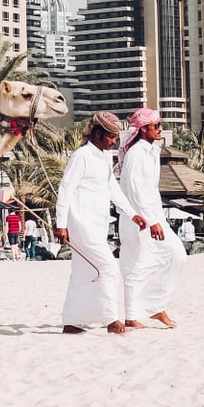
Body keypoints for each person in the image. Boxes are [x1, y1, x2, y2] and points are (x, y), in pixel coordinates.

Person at [54, 111, 148, 335]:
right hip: (81, 223)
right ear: (97, 134)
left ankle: (72, 321)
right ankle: (112, 320)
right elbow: (65, 189)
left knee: (82, 271)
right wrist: (60, 223)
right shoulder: (81, 156)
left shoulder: (104, 158)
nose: (114, 141)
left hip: (97, 223)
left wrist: (132, 213)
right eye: (110, 137)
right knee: (108, 267)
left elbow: (112, 189)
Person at [118, 107, 188, 330]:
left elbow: (149, 190)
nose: (160, 129)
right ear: (143, 129)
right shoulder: (135, 154)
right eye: (156, 126)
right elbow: (134, 190)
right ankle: (132, 316)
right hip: (137, 219)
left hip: (155, 215)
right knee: (135, 265)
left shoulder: (152, 151)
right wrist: (150, 220)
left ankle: (155, 306)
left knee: (177, 256)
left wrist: (157, 218)